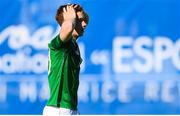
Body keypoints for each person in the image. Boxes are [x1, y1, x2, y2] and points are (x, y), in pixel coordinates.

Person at [43, 3, 89, 115]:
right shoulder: (58, 45)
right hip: (59, 110)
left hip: (70, 109)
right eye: (79, 20)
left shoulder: (73, 45)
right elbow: (68, 28)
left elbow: (74, 25)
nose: (84, 24)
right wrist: (69, 18)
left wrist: (77, 14)